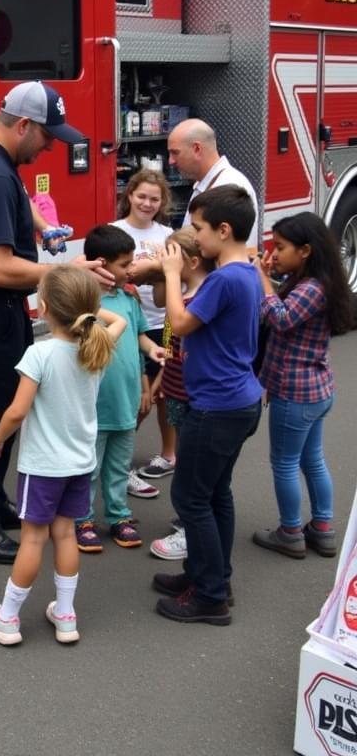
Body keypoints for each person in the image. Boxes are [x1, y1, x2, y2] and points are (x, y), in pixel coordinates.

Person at [0, 80, 106, 563]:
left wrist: (40, 227)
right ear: (24, 125)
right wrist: (65, 270)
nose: (52, 145)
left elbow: (17, 196)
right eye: (48, 136)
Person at [0, 265, 126, 646]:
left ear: (42, 307)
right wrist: (90, 307)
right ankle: (66, 615)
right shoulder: (97, 346)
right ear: (88, 308)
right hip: (79, 464)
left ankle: (6, 618)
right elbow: (118, 319)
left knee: (33, 540)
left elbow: (17, 411)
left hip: (42, 468)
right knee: (65, 534)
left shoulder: (38, 353)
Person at [153, 185, 263, 626]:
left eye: (198, 229)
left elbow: (179, 323)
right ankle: (208, 575)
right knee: (216, 493)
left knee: (191, 497)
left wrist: (173, 273)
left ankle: (211, 595)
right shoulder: (247, 273)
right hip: (237, 400)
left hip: (216, 405)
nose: (194, 238)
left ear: (223, 229)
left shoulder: (223, 279)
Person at [251, 212, 352, 559]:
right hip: (316, 390)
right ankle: (322, 528)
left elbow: (280, 318)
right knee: (312, 459)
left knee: (284, 462)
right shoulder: (313, 279)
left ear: (306, 250)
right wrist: (274, 273)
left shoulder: (311, 288)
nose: (274, 253)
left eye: (280, 247)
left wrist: (263, 278)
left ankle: (290, 531)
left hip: (296, 393)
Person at [73, 225, 165, 553]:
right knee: (90, 467)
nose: (131, 270)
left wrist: (150, 355)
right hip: (94, 405)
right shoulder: (84, 299)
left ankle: (118, 515)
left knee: (117, 466)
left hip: (125, 402)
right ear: (101, 263)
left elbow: (138, 335)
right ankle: (81, 518)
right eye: (125, 264)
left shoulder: (129, 298)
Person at [148, 226, 214, 561]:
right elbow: (174, 346)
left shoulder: (197, 299)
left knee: (192, 472)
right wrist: (161, 380)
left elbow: (181, 325)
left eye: (171, 255)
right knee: (189, 463)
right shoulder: (182, 289)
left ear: (190, 261)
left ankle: (192, 530)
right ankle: (192, 520)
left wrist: (169, 274)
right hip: (175, 387)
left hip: (193, 397)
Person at [112, 169, 175, 494]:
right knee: (137, 397)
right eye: (142, 196)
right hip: (129, 325)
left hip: (163, 323)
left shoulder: (168, 234)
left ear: (163, 201)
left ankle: (168, 454)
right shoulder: (113, 231)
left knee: (166, 394)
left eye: (154, 198)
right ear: (129, 196)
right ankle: (119, 464)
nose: (147, 203)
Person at [166, 119, 260, 249]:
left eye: (175, 152)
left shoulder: (230, 187)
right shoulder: (206, 183)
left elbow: (236, 252)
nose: (171, 161)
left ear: (197, 149)